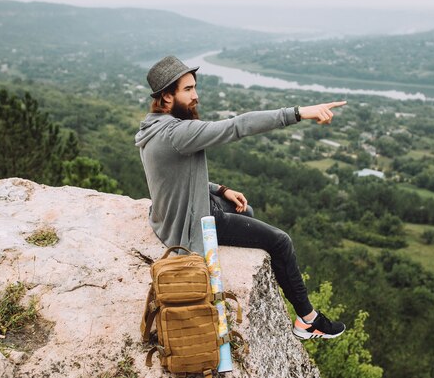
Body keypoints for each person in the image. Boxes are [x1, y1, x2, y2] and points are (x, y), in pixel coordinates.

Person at [135, 55, 346, 340]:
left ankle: (240, 224)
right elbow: (237, 126)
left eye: (195, 87)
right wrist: (298, 112)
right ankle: (308, 321)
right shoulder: (178, 133)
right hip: (193, 222)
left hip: (175, 213)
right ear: (166, 97)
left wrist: (221, 189)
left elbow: (174, 176)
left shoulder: (153, 127)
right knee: (280, 242)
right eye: (187, 89)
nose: (196, 95)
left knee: (246, 211)